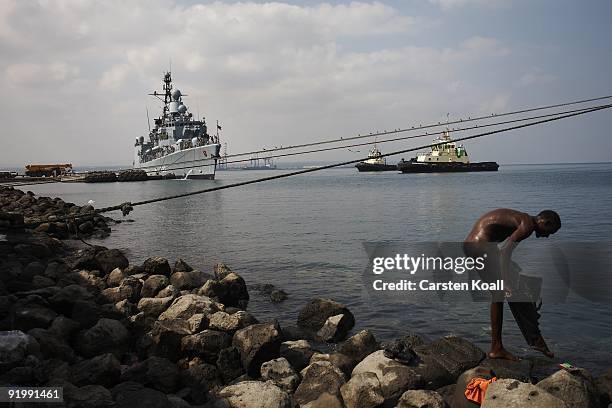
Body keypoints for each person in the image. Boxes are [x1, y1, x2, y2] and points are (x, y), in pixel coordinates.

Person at [464, 208, 561, 361]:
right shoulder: (527, 225)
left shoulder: (524, 219)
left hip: (478, 245)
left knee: (514, 283)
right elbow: (505, 251)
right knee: (499, 293)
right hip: (480, 246)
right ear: (546, 222)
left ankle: (533, 338)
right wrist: (505, 281)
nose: (547, 236)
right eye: (550, 232)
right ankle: (499, 348)